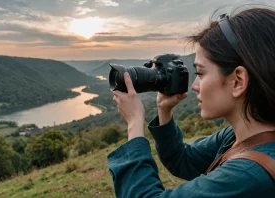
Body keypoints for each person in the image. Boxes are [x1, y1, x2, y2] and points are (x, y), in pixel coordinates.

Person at [108, 7, 275, 198]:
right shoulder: (237, 135)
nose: (194, 86)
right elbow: (184, 161)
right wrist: (164, 110)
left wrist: (135, 124)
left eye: (200, 73)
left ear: (237, 81)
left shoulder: (249, 175)